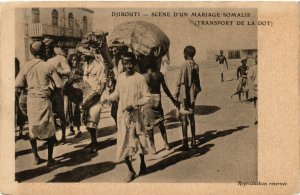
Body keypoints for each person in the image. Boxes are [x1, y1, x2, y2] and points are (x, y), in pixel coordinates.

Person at [102, 52, 150, 182]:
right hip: (122, 116)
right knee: (123, 141)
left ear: (134, 63)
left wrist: (134, 104)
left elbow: (147, 96)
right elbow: (117, 93)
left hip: (136, 116)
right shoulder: (121, 77)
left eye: (130, 63)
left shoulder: (140, 78)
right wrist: (107, 98)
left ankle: (142, 163)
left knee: (138, 140)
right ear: (122, 63)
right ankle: (131, 171)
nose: (128, 65)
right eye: (125, 63)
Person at [15, 41, 62, 167]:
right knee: (50, 128)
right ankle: (50, 160)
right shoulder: (47, 66)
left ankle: (36, 157)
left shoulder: (26, 66)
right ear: (44, 51)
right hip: (43, 101)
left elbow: (17, 84)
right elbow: (59, 84)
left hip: (31, 101)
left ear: (31, 52)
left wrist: (28, 85)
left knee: (32, 128)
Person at [144, 63, 179, 154]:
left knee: (149, 127)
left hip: (148, 100)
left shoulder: (144, 76)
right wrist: (173, 99)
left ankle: (153, 148)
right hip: (157, 100)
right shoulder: (159, 75)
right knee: (161, 124)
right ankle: (166, 144)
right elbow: (165, 89)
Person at [79, 47, 107, 154]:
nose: (82, 56)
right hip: (86, 96)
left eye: (83, 54)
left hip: (95, 96)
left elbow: (103, 82)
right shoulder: (86, 66)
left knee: (93, 119)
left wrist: (98, 94)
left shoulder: (99, 66)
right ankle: (92, 141)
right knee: (86, 121)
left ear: (89, 54)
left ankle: (95, 144)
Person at [174, 46, 201, 150]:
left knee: (184, 119)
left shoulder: (184, 64)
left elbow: (181, 81)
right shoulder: (196, 65)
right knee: (192, 117)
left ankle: (185, 143)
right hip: (192, 95)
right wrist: (193, 93)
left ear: (185, 54)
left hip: (184, 95)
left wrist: (176, 94)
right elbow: (198, 84)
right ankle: (193, 140)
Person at [46, 44, 71, 145]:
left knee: (61, 114)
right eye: (45, 48)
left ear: (52, 48)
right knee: (50, 115)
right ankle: (54, 138)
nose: (47, 50)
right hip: (49, 90)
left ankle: (64, 137)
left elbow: (68, 71)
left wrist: (58, 71)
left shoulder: (60, 58)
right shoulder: (47, 61)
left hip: (59, 89)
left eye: (48, 48)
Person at [66, 54, 83, 138]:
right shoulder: (68, 70)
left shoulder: (79, 71)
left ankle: (78, 129)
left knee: (76, 111)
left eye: (76, 60)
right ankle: (71, 128)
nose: (75, 62)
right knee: (69, 111)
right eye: (73, 60)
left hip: (76, 93)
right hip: (69, 93)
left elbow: (81, 82)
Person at [15, 57, 27, 140]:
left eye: (17, 64)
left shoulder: (20, 73)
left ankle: (20, 132)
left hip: (19, 95)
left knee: (20, 113)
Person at [248, 57, 258, 124]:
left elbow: (249, 77)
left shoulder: (253, 68)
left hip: (255, 87)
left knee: (255, 103)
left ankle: (256, 118)